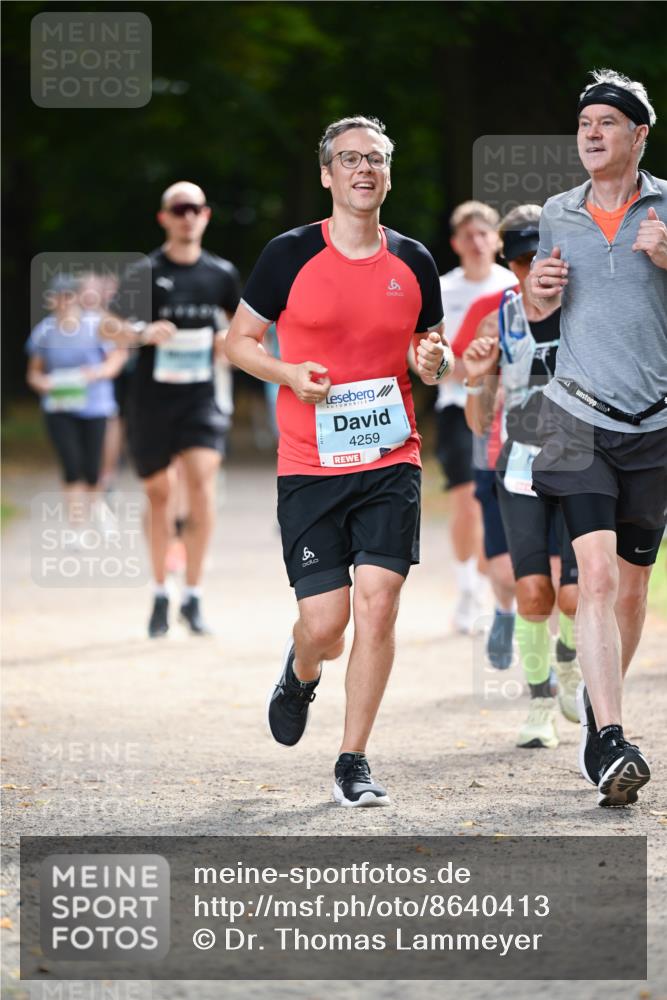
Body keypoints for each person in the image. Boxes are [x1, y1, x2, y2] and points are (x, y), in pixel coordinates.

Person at [225, 115, 452, 807]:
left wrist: (433, 362)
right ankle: (301, 672)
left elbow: (430, 349)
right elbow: (238, 342)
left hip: (390, 459)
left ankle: (353, 759)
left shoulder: (414, 260)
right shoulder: (289, 254)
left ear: (388, 174)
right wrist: (288, 374)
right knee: (327, 626)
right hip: (309, 465)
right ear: (327, 174)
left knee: (377, 607)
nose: (363, 169)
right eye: (349, 159)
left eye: (375, 159)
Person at [530, 69, 666, 806]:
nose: (591, 133)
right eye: (584, 123)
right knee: (597, 576)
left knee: (633, 588)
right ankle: (611, 737)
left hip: (655, 424)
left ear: (638, 134)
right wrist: (537, 296)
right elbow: (540, 315)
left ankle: (593, 708)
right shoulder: (557, 212)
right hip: (575, 416)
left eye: (607, 122)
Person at [463, 205, 582, 750]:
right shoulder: (498, 321)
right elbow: (478, 420)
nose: (530, 269)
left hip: (585, 461)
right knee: (533, 591)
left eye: (538, 257)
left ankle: (571, 667)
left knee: (576, 595)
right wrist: (475, 377)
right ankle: (540, 703)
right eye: (518, 260)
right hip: (521, 466)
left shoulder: (585, 308)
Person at [101, 182, 241, 637]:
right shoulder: (145, 271)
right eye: (179, 209)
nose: (188, 216)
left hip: (201, 399)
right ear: (164, 218)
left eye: (195, 208)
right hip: (151, 402)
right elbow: (107, 326)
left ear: (206, 215)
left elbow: (243, 329)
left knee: (201, 481)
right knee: (160, 493)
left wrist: (226, 343)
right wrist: (141, 333)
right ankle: (161, 591)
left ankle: (194, 595)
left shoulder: (221, 273)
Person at [435, 202, 517, 634]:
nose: (477, 242)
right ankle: (467, 588)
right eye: (468, 235)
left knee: (499, 503)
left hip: (513, 410)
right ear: (456, 243)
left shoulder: (512, 284)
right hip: (457, 406)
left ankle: (493, 586)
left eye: (484, 233)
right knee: (467, 502)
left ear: (497, 240)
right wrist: (469, 369)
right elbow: (428, 355)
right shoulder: (443, 289)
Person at [451, 287, 519, 669]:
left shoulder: (573, 299)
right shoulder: (492, 309)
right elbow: (459, 364)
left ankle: (551, 667)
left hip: (554, 459)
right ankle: (505, 611)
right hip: (494, 456)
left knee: (557, 574)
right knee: (505, 569)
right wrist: (489, 379)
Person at [26, 274, 127, 529]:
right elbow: (34, 372)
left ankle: (97, 506)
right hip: (60, 406)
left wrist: (98, 373)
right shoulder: (45, 331)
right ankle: (76, 525)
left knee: (92, 466)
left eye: (68, 296)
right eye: (58, 297)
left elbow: (117, 357)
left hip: (94, 406)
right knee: (71, 466)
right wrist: (42, 383)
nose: (64, 302)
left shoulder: (96, 325)